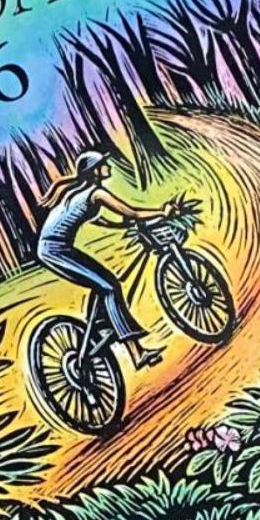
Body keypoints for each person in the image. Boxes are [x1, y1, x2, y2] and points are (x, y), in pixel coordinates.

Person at [35, 150, 165, 370]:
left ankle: (103, 326)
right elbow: (132, 212)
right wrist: (162, 212)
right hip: (55, 249)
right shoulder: (96, 193)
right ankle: (137, 354)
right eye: (104, 164)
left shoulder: (81, 193)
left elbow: (107, 220)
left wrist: (124, 225)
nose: (109, 166)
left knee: (105, 282)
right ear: (94, 171)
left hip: (56, 247)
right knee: (109, 288)